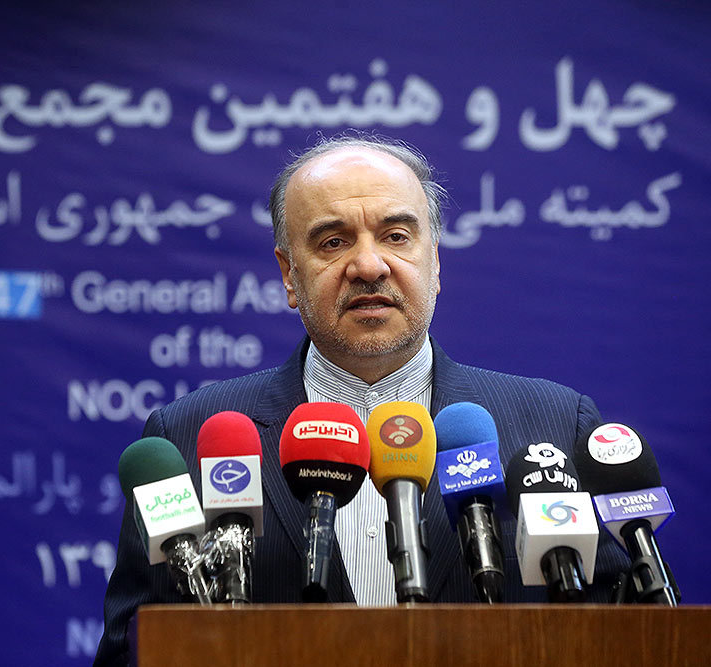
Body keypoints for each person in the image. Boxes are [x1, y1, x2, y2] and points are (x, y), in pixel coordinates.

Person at [94, 136, 626, 666]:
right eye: (333, 242)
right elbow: (131, 652)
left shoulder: (553, 427)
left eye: (396, 236)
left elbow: (621, 636)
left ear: (435, 262)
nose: (369, 265)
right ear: (289, 275)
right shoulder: (188, 437)